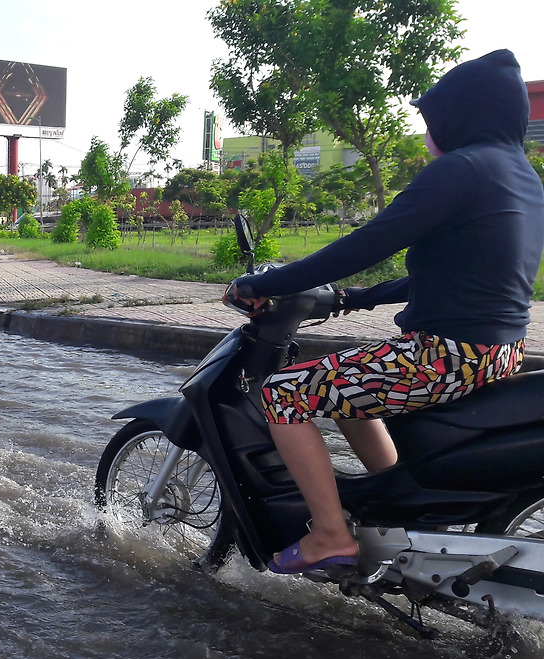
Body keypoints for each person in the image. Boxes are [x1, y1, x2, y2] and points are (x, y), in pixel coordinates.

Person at [224, 49, 544, 575]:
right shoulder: (518, 174)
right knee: (353, 374)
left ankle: (330, 535)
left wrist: (261, 283)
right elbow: (449, 273)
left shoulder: (461, 170)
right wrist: (357, 298)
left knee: (285, 392)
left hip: (446, 355)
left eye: (432, 119)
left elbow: (367, 243)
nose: (427, 132)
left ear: (462, 114)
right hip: (498, 352)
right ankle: (397, 503)